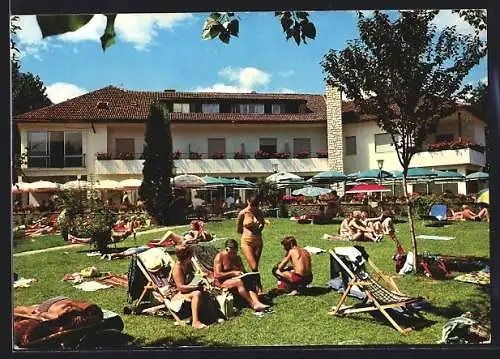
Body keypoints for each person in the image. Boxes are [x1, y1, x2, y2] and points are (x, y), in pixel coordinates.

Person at [213, 239, 269, 312]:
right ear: (227, 249)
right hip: (223, 282)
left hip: (235, 279)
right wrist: (233, 273)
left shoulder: (237, 258)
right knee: (238, 281)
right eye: (232, 252)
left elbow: (243, 271)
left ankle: (257, 302)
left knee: (249, 280)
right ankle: (253, 305)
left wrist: (245, 274)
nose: (234, 254)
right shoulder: (220, 257)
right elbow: (217, 275)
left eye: (235, 252)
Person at [172, 246, 209, 329]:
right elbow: (180, 287)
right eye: (191, 255)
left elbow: (193, 277)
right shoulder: (177, 268)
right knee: (197, 293)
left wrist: (201, 280)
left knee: (205, 290)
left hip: (187, 291)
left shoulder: (188, 264)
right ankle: (195, 322)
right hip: (176, 295)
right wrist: (195, 287)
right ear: (187, 256)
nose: (192, 257)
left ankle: (213, 316)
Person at [236, 194, 266, 294]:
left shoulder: (259, 212)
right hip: (247, 242)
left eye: (256, 205)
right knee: (253, 266)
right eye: (253, 205)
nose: (254, 207)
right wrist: (249, 230)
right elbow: (238, 229)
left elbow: (262, 225)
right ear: (248, 202)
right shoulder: (243, 213)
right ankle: (259, 287)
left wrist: (258, 227)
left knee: (255, 266)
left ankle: (255, 287)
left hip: (258, 241)